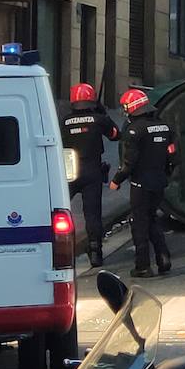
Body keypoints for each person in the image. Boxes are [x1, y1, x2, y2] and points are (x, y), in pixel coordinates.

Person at [110, 88, 178, 278]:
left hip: (140, 183)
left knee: (139, 223)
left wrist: (116, 180)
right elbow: (173, 155)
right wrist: (166, 173)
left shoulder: (133, 131)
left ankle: (142, 265)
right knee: (153, 219)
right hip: (159, 181)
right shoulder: (166, 127)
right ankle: (163, 258)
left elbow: (129, 162)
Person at [58, 83, 119, 268]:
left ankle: (58, 249)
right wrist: (102, 114)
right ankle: (95, 252)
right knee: (92, 214)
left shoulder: (65, 121)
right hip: (92, 170)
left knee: (59, 210)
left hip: (69, 170)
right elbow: (116, 135)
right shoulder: (99, 119)